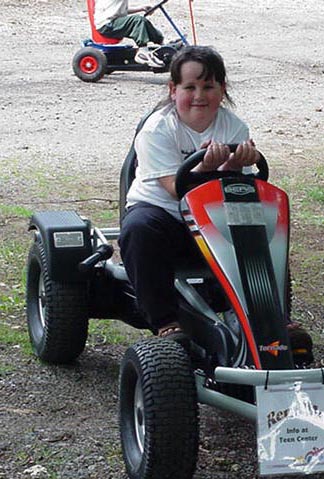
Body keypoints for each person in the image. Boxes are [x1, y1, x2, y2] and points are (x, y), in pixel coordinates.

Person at [119, 45, 313, 363]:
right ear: (173, 90)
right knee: (139, 230)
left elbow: (240, 188)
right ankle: (167, 323)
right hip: (164, 217)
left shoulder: (233, 127)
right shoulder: (158, 129)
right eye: (190, 87)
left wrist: (239, 166)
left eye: (208, 87)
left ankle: (274, 318)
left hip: (212, 219)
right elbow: (174, 189)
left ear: (221, 91)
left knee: (261, 229)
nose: (199, 95)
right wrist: (207, 168)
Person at [94, 0, 165, 67]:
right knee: (137, 21)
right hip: (107, 25)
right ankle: (142, 52)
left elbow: (122, 11)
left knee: (144, 22)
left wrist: (141, 8)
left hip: (112, 22)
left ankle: (163, 45)